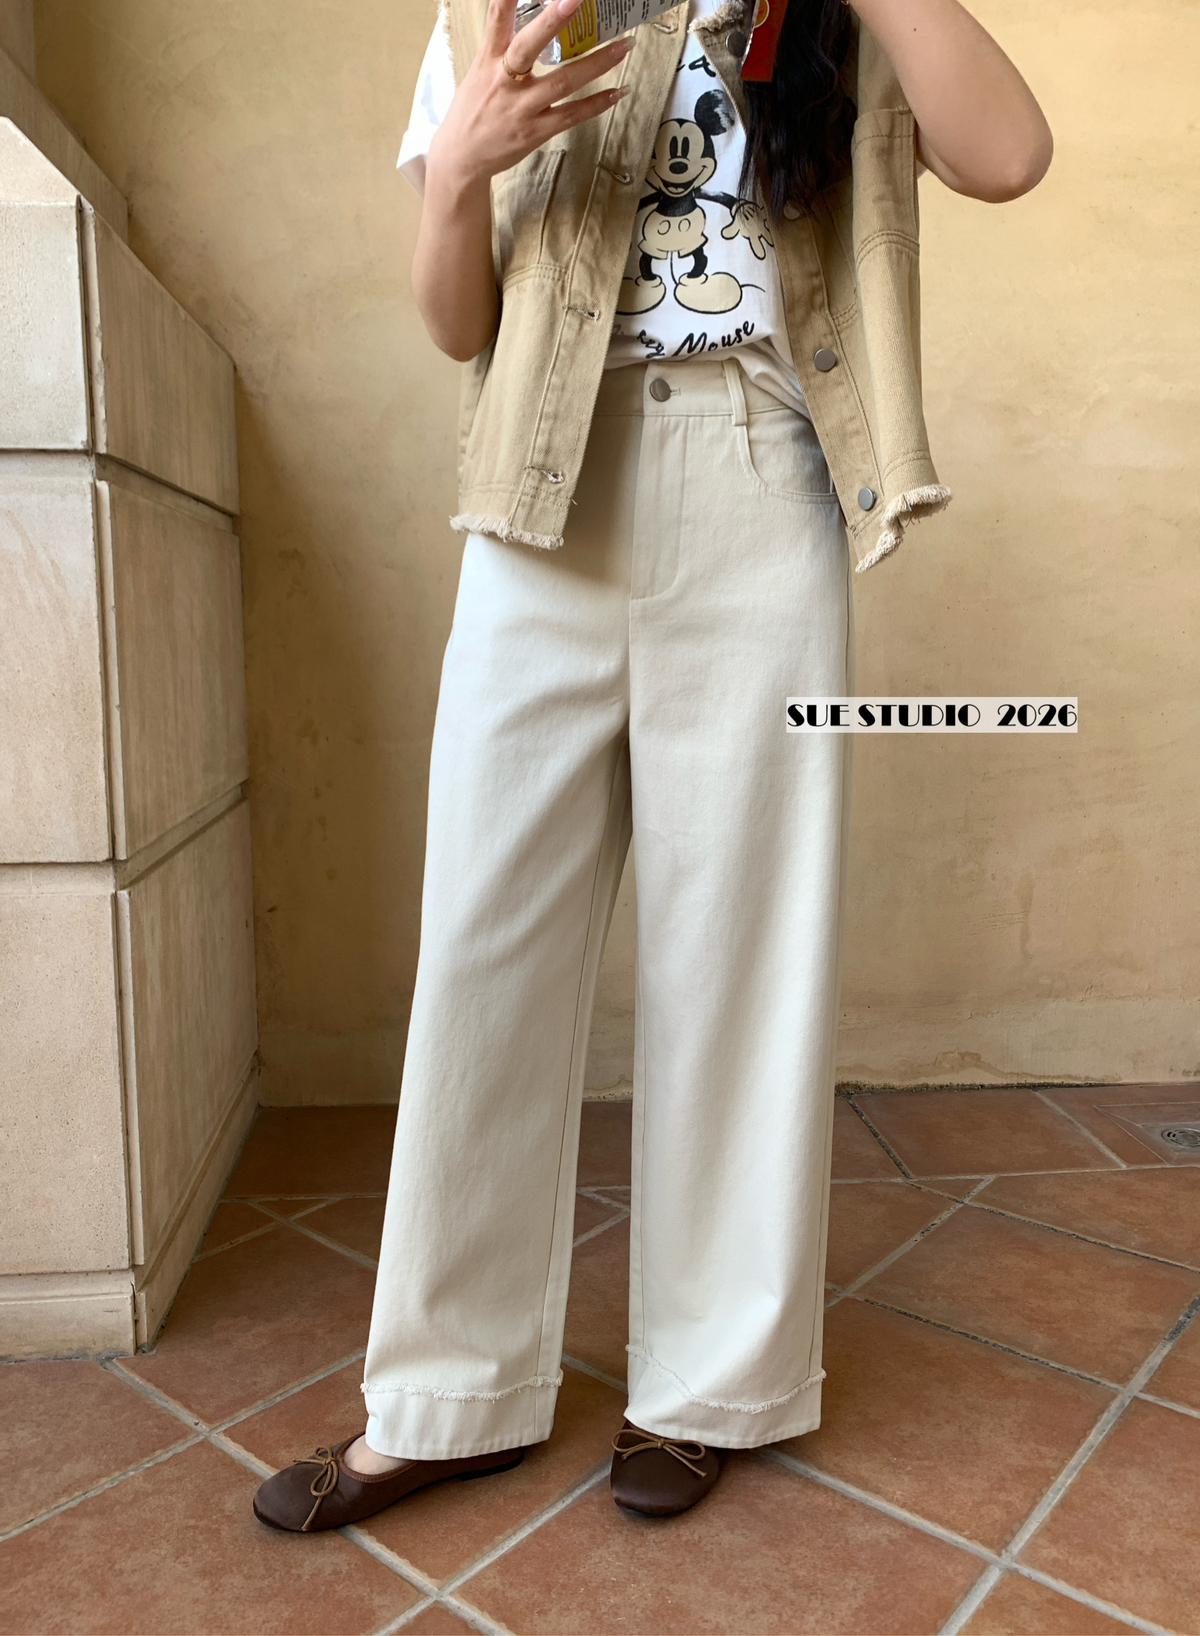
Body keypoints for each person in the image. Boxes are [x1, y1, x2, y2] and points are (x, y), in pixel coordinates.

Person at [253, 0, 1051, 1532]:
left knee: (739, 948)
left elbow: (1008, 152)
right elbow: (459, 326)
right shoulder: (503, 11)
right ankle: (447, 1396)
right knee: (483, 947)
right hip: (542, 493)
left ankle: (711, 1385)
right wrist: (457, 172)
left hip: (762, 477)